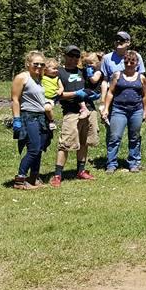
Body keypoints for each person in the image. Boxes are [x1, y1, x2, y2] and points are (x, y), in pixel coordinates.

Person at [49, 46, 102, 187]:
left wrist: (94, 93)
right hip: (71, 111)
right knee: (65, 144)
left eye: (76, 56)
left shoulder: (83, 71)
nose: (73, 58)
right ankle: (57, 175)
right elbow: (57, 94)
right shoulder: (59, 72)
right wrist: (75, 94)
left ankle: (81, 171)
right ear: (65, 56)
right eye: (70, 55)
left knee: (84, 142)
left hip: (89, 110)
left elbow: (93, 86)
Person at [10, 51, 52, 189]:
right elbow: (15, 99)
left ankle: (33, 178)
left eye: (42, 64)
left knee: (39, 149)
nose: (39, 66)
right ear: (28, 64)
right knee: (34, 149)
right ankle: (20, 180)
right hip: (28, 117)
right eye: (36, 64)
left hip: (41, 117)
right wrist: (17, 119)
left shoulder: (39, 78)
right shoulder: (22, 77)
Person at [102, 50, 146, 173]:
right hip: (119, 110)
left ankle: (133, 163)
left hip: (136, 111)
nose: (129, 64)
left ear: (137, 63)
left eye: (132, 62)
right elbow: (110, 92)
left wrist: (145, 111)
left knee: (135, 137)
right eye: (127, 62)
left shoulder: (141, 77)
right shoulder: (117, 75)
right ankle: (111, 164)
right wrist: (106, 108)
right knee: (115, 137)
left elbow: (144, 95)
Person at [41, 58, 61, 131]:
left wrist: (60, 90)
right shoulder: (42, 77)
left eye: (57, 69)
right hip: (41, 97)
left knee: (47, 108)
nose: (56, 70)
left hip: (51, 98)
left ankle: (52, 121)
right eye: (54, 69)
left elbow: (61, 87)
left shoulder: (57, 78)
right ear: (45, 70)